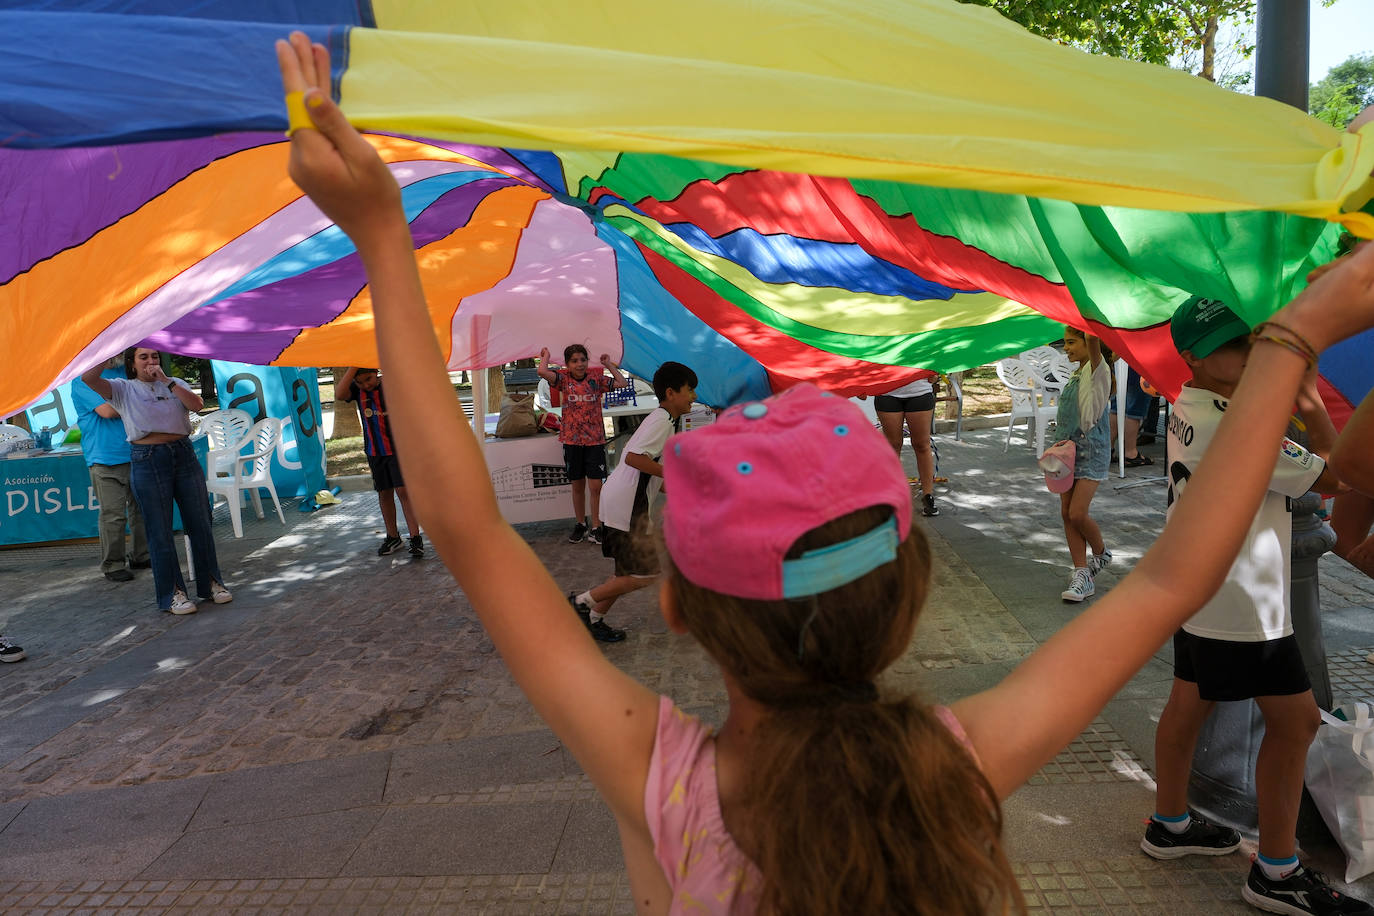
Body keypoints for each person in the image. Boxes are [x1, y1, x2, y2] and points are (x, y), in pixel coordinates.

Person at [275, 35, 1374, 913]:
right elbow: (1170, 579)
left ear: (678, 607)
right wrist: (1295, 335)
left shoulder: (659, 783)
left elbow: (465, 530)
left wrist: (382, 235)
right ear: (903, 601)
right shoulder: (955, 767)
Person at [1142, 294, 1363, 916]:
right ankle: (1276, 870)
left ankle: (1170, 822)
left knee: (1189, 698)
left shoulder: (1190, 404)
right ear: (1192, 357)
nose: (1247, 355)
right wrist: (1312, 403)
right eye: (1231, 348)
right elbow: (1337, 476)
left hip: (1198, 585)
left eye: (1253, 341)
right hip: (1243, 601)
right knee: (1296, 725)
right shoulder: (1242, 424)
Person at [80, 349, 231, 615]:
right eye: (144, 358)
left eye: (154, 357)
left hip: (183, 454)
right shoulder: (123, 388)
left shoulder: (175, 383)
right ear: (132, 364)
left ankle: (212, 583)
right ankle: (174, 593)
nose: (151, 362)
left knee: (200, 522)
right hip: (148, 458)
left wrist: (167, 380)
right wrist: (111, 347)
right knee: (159, 531)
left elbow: (197, 406)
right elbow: (89, 378)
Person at [567, 361, 698, 642]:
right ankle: (579, 603)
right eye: (690, 390)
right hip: (627, 507)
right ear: (672, 392)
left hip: (623, 503)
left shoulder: (666, 420)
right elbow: (634, 459)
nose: (694, 397)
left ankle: (594, 617)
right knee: (645, 575)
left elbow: (653, 475)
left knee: (625, 574)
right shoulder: (662, 421)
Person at [536, 344, 629, 544]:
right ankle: (580, 524)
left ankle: (597, 527)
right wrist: (546, 356)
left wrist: (607, 364)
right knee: (577, 485)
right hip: (571, 441)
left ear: (587, 361)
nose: (579, 364)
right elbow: (542, 371)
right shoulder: (563, 380)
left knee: (596, 486)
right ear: (568, 364)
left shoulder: (596, 380)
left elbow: (621, 383)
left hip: (594, 441)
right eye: (574, 361)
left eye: (583, 360)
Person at [72, 356, 150, 582]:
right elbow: (107, 411)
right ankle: (113, 564)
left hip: (137, 451)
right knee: (113, 515)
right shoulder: (82, 380)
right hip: (104, 457)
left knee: (141, 510)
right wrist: (138, 402)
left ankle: (141, 555)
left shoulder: (127, 372)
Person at [337, 367, 423, 558]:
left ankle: (415, 537)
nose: (366, 384)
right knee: (384, 493)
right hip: (375, 452)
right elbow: (339, 394)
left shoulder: (391, 385)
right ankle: (393, 536)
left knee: (403, 492)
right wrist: (353, 367)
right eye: (360, 382)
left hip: (398, 450)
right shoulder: (357, 391)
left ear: (376, 373)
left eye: (369, 379)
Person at [1054, 327, 1113, 602]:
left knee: (1078, 513)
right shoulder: (1075, 374)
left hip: (1092, 452)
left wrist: (1079, 304)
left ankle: (1101, 553)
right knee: (1066, 512)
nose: (1065, 348)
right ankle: (1081, 574)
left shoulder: (1099, 372)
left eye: (1070, 342)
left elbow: (1093, 337)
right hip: (1065, 451)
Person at [869, 375, 941, 516]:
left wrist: (937, 371)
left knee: (921, 445)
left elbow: (938, 355)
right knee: (893, 445)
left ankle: (928, 496)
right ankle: (891, 496)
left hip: (919, 391)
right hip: (887, 391)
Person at [1109, 365, 1154, 467]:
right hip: (1140, 364)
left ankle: (1108, 450)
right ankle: (1130, 453)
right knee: (1135, 409)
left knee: (1116, 406)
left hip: (1120, 362)